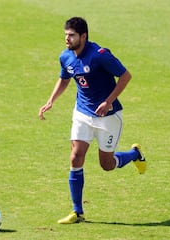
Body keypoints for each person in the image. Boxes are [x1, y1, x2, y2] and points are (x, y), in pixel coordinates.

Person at [39, 17, 146, 224]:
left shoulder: (99, 56)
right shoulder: (66, 57)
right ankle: (77, 212)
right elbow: (64, 77)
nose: (67, 39)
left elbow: (125, 76)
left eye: (71, 35)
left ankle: (135, 154)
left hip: (108, 116)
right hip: (82, 114)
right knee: (75, 157)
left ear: (84, 36)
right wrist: (50, 100)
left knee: (106, 164)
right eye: (66, 35)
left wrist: (108, 102)